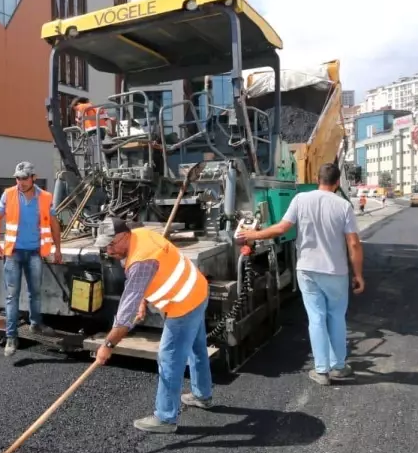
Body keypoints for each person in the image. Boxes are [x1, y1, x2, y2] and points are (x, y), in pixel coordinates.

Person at [237, 163, 364, 385]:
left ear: (318, 178)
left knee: (316, 318)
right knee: (336, 317)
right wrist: (358, 275)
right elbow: (353, 244)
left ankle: (321, 371)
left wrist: (253, 234)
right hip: (336, 271)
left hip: (307, 270)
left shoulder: (301, 199)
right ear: (336, 183)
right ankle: (339, 367)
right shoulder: (344, 206)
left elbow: (281, 229)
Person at [93, 218, 213, 433]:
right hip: (198, 290)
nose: (108, 250)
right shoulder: (142, 235)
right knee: (196, 348)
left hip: (183, 305)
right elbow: (156, 272)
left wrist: (107, 345)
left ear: (125, 236)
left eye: (111, 244)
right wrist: (143, 300)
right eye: (105, 246)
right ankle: (202, 395)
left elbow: (124, 316)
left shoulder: (140, 261)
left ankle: (166, 418)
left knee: (169, 359)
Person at [0, 162, 63, 356]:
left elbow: (55, 224)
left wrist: (58, 249)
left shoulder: (46, 198)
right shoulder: (9, 194)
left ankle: (35, 324)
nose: (20, 182)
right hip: (13, 253)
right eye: (17, 178)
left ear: (33, 178)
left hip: (34, 253)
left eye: (24, 178)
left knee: (35, 293)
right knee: (11, 296)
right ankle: (11, 337)